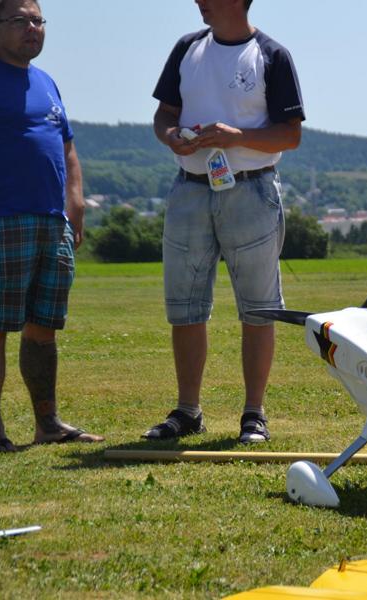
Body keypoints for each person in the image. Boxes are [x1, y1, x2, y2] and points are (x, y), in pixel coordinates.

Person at [143, 0, 304, 443]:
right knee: (185, 307)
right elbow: (164, 114)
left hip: (252, 189)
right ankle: (187, 411)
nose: (198, 1)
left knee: (259, 308)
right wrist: (170, 136)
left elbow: (291, 134)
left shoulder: (272, 55)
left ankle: (254, 414)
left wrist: (238, 137)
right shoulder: (187, 48)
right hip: (189, 188)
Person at [0, 0, 104, 453]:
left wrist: (75, 201)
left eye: (38, 20)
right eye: (20, 20)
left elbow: (67, 147)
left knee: (43, 325)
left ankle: (48, 424)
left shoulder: (45, 81)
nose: (32, 28)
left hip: (51, 220)